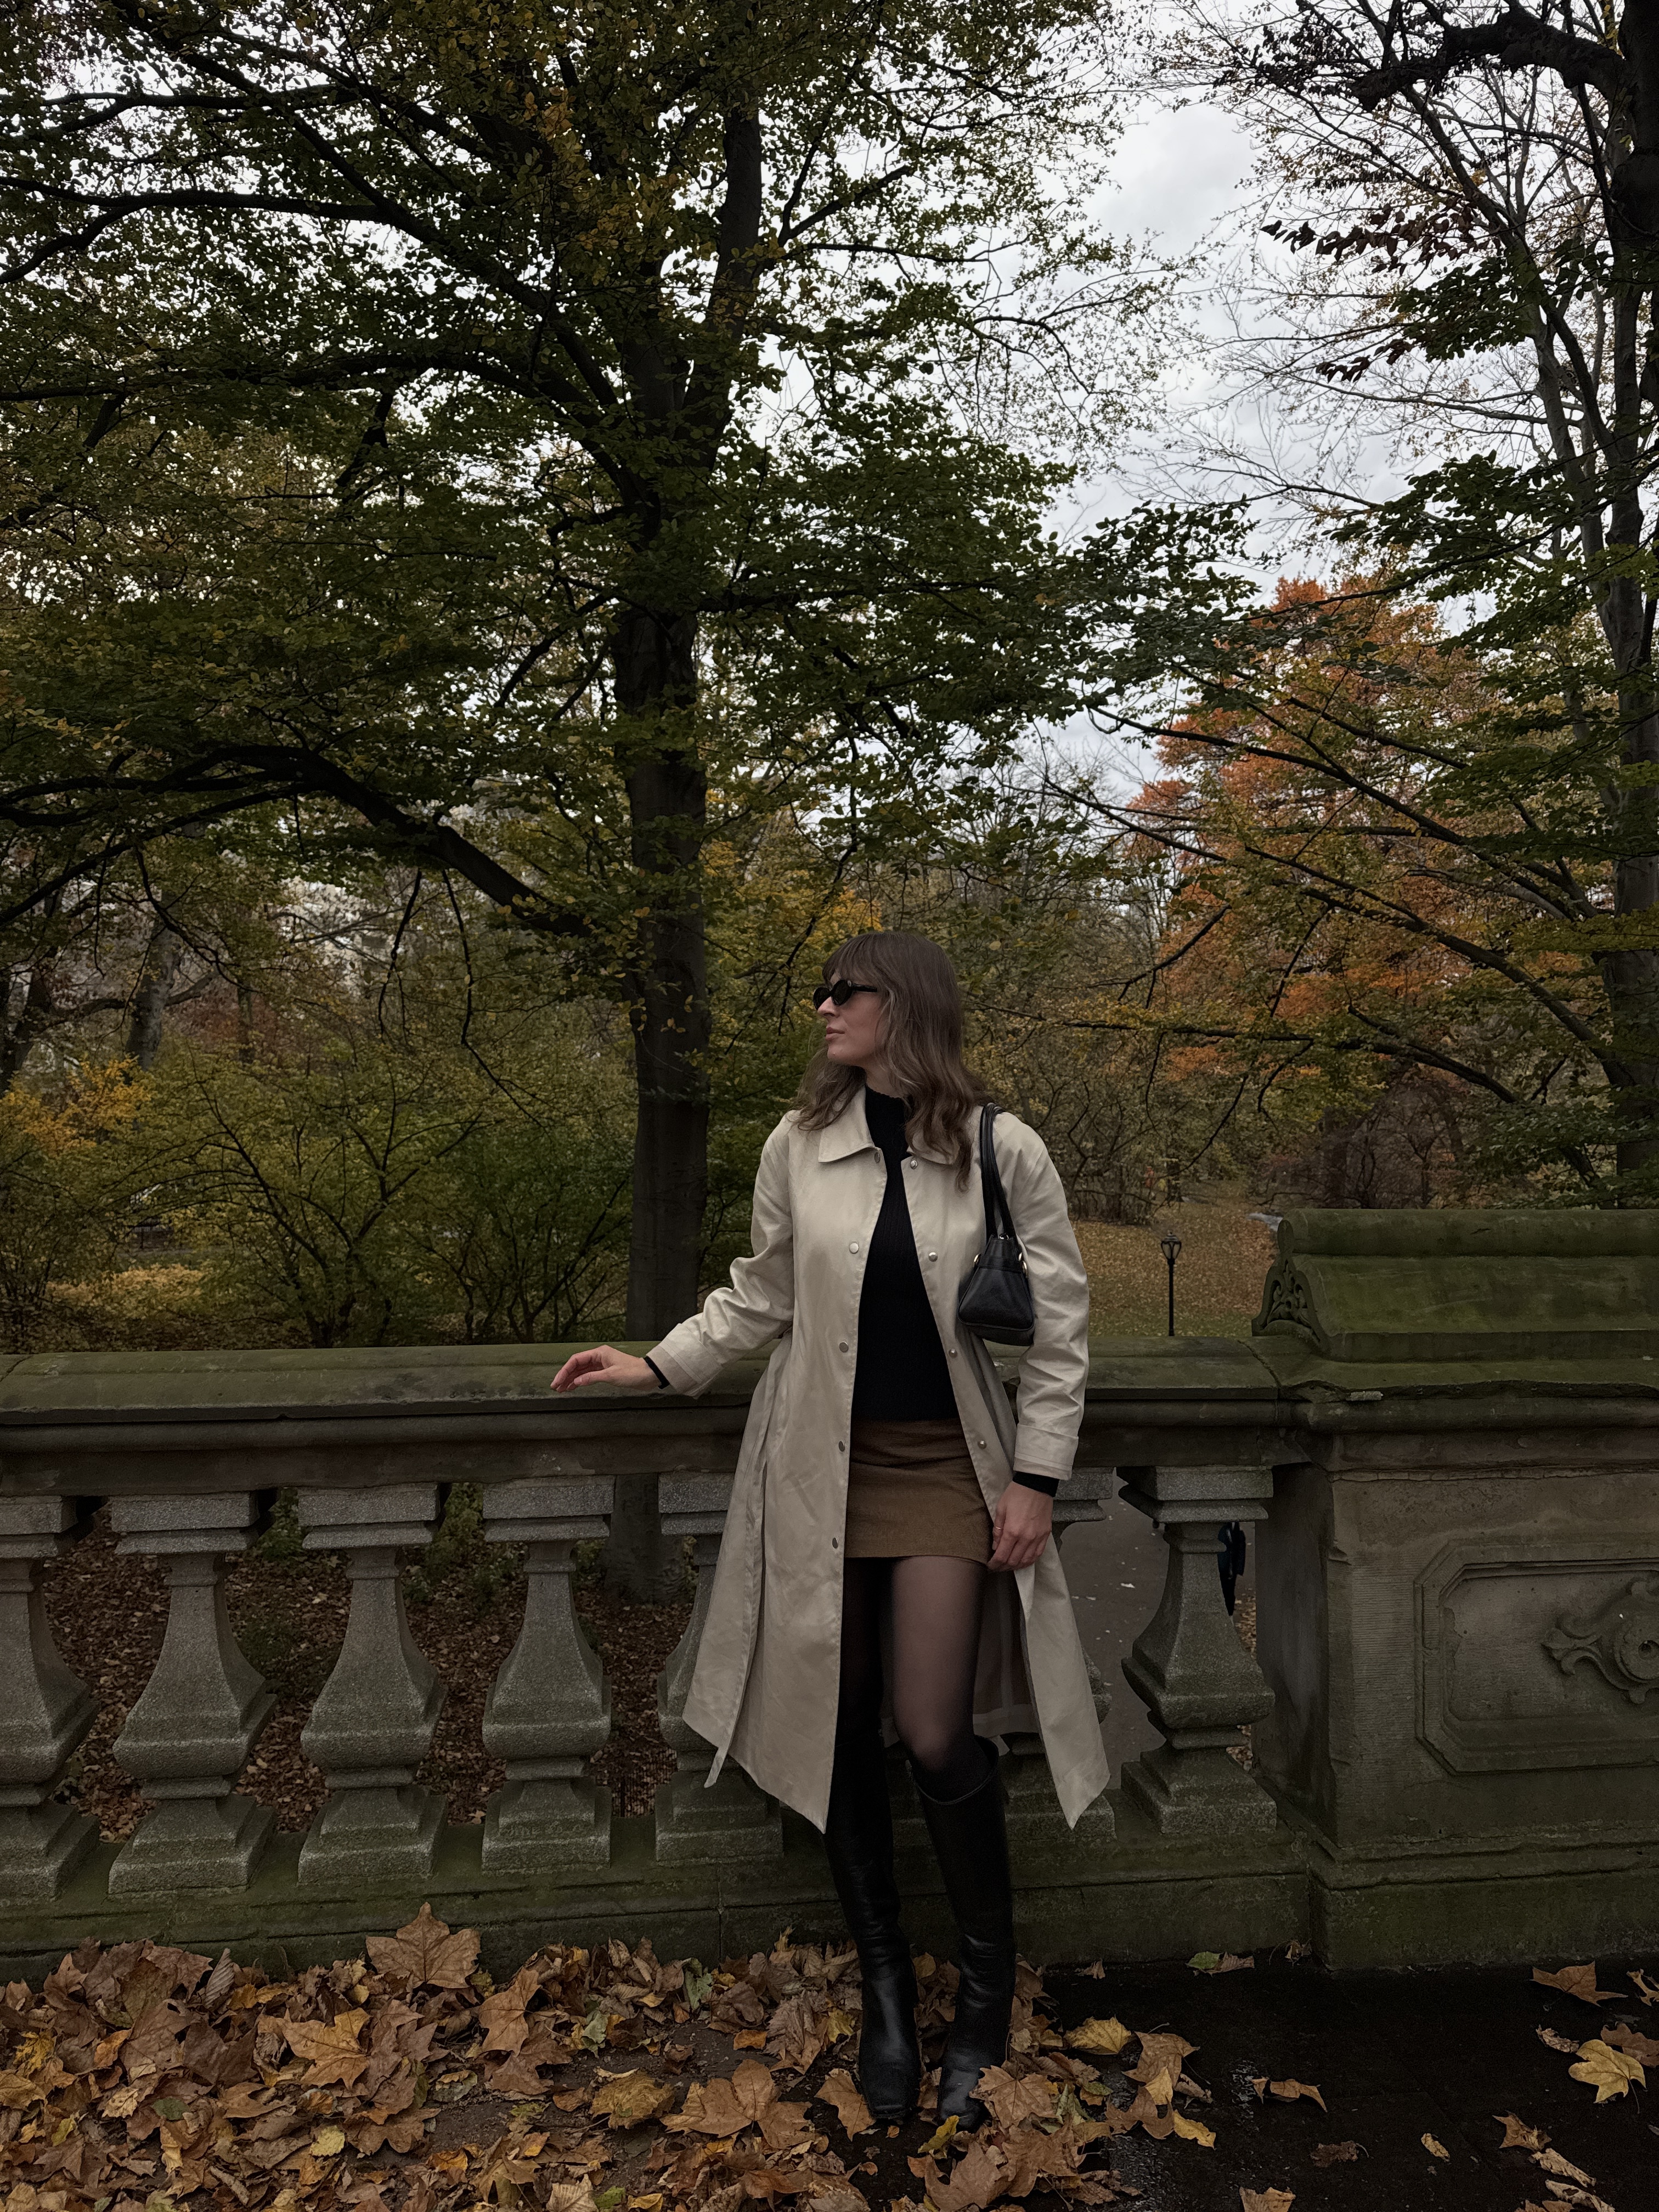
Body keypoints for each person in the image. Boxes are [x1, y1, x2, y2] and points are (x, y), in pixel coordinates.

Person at [552, 930, 1105, 2128]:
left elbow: (1061, 1334)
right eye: (822, 993)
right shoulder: (799, 1145)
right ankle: (890, 1992)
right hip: (818, 1469)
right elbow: (759, 1295)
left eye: (842, 992)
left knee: (934, 1727)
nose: (821, 1008)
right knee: (841, 1721)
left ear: (903, 1005)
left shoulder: (1004, 1149)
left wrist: (1037, 1482)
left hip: (947, 1467)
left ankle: (986, 1997)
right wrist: (656, 1364)